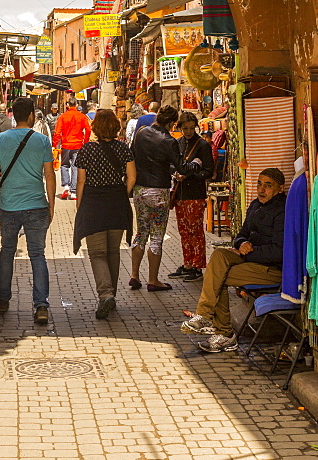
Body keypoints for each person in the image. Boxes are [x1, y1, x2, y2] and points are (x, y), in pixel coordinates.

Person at [181, 168, 286, 353]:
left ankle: (223, 333)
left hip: (271, 270)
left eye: (268, 186)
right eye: (259, 184)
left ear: (279, 189)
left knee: (218, 276)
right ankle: (208, 318)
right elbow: (241, 234)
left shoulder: (282, 210)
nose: (261, 189)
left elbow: (279, 251)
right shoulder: (255, 205)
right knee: (219, 256)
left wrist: (246, 253)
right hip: (250, 260)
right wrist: (242, 242)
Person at [0, 97, 57, 324]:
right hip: (36, 204)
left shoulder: (1, 139)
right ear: (31, 116)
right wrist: (52, 205)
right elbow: (49, 175)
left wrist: (3, 184)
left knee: (7, 251)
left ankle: (3, 300)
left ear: (13, 116)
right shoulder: (43, 141)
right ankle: (41, 305)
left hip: (8, 205)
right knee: (37, 254)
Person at [73, 110, 136, 319]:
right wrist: (122, 194)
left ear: (96, 127)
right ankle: (112, 295)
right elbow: (132, 177)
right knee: (113, 253)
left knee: (97, 253)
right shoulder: (123, 149)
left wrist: (80, 206)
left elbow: (80, 181)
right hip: (116, 203)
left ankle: (106, 294)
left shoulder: (87, 150)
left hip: (93, 204)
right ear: (116, 126)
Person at [129, 105, 181, 291]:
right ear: (171, 123)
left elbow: (131, 155)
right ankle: (153, 280)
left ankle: (134, 275)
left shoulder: (141, 133)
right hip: (159, 191)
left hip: (140, 189)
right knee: (157, 236)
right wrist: (196, 164)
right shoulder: (169, 140)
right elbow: (180, 167)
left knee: (141, 232)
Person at [169, 113, 214, 282]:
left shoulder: (202, 145)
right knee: (184, 231)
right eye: (184, 128)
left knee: (195, 231)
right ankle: (187, 263)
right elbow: (172, 164)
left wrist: (188, 176)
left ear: (195, 126)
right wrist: (175, 173)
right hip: (180, 194)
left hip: (195, 194)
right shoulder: (177, 143)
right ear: (179, 128)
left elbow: (209, 171)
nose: (188, 131)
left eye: (190, 128)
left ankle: (197, 266)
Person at [53, 97, 91, 200]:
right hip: (78, 145)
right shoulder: (82, 116)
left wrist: (54, 144)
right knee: (75, 166)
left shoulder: (63, 117)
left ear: (67, 105)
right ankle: (74, 191)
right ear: (77, 105)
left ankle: (66, 186)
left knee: (64, 165)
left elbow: (57, 132)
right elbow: (88, 129)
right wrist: (85, 142)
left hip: (65, 145)